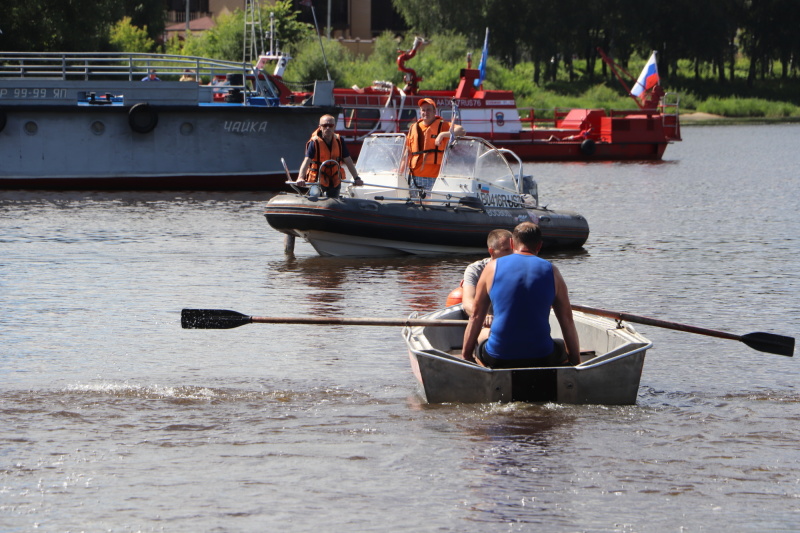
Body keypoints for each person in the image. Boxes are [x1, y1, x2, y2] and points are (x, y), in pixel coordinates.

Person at [461, 222, 581, 368]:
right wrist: (575, 362)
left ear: (512, 243)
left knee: (481, 345)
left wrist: (466, 356)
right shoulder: (553, 271)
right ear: (539, 246)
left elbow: (476, 316)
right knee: (560, 345)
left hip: (498, 357)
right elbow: (567, 320)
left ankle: (485, 371)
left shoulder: (491, 268)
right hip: (542, 356)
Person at [461, 229, 513, 344]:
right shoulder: (475, 270)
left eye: (513, 250)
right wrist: (484, 315)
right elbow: (468, 301)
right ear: (492, 251)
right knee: (489, 336)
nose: (512, 254)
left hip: (512, 323)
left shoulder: (519, 268)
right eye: (506, 250)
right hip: (486, 325)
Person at [296, 115, 363, 198]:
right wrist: (300, 178)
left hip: (334, 179)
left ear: (334, 127)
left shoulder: (339, 141)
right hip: (318, 179)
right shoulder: (315, 142)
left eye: (330, 125)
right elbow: (306, 161)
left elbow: (348, 160)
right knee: (315, 195)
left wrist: (356, 178)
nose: (328, 128)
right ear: (320, 127)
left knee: (334, 201)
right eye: (324, 125)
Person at [406, 98, 466, 190]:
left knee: (430, 203)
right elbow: (407, 152)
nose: (426, 112)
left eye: (429, 110)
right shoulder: (413, 128)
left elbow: (461, 131)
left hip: (435, 178)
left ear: (434, 111)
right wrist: (400, 170)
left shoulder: (443, 125)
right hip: (414, 176)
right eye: (423, 110)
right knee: (415, 203)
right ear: (420, 112)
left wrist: (442, 134)